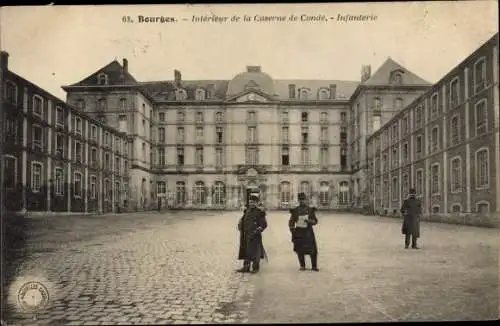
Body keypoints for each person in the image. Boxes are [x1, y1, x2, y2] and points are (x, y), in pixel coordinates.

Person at [237, 193, 268, 273]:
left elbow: (264, 224)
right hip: (245, 234)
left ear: (257, 203)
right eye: (250, 202)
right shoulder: (247, 211)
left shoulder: (260, 212)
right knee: (246, 251)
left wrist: (257, 230)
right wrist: (240, 225)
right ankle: (246, 267)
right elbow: (243, 220)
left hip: (255, 235)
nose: (251, 203)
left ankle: (255, 268)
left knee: (255, 252)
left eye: (253, 202)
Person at [289, 192, 319, 271]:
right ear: (299, 201)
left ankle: (314, 266)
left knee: (312, 250)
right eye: (300, 200)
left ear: (306, 200)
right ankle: (302, 266)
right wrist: (292, 231)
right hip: (299, 232)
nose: (302, 201)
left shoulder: (310, 210)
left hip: (308, 232)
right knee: (300, 250)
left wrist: (309, 221)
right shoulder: (295, 210)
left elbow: (315, 221)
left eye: (303, 200)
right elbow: (291, 222)